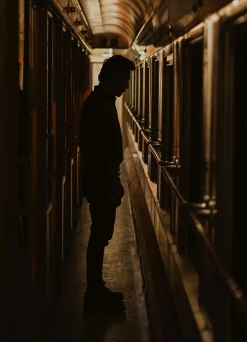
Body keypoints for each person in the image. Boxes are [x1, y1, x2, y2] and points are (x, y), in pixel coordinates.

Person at [79, 54, 135, 312]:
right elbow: (99, 152)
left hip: (102, 179)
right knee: (99, 235)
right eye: (125, 79)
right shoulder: (98, 105)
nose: (126, 85)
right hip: (100, 181)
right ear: (113, 77)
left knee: (101, 235)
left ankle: (96, 288)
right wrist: (111, 184)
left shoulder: (103, 102)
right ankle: (94, 293)